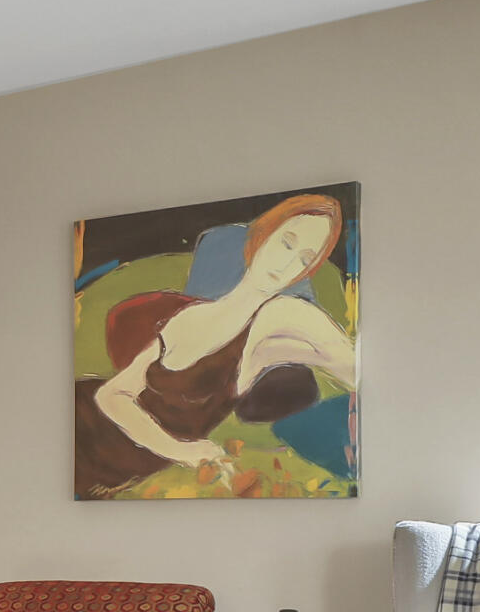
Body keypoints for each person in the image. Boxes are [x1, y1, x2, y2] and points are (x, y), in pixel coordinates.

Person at [74, 192, 356, 496]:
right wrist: (182, 450)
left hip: (113, 469)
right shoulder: (189, 318)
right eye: (286, 243)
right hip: (83, 429)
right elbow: (111, 395)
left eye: (304, 259)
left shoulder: (282, 315)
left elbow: (353, 368)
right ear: (262, 238)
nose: (288, 263)